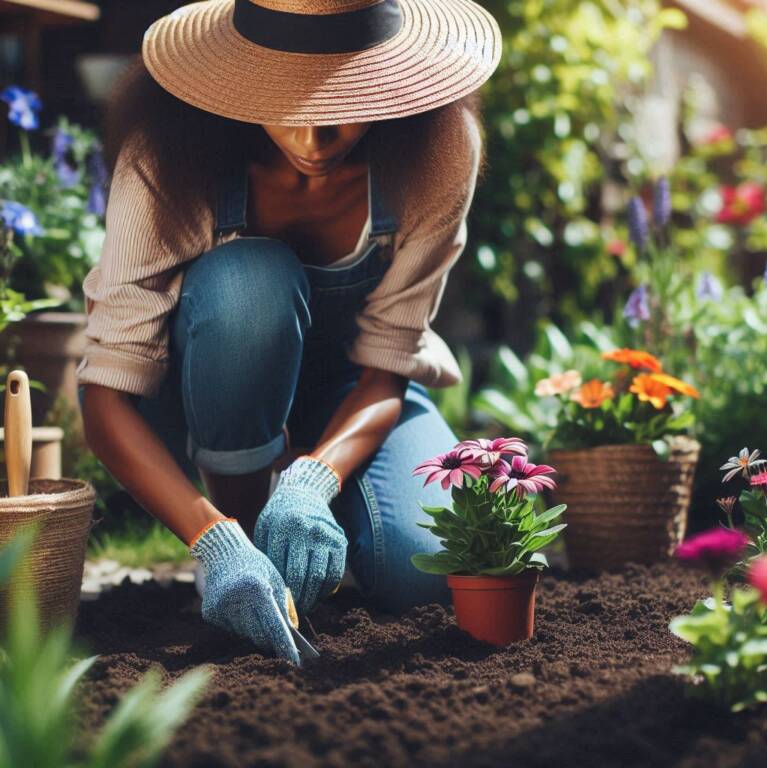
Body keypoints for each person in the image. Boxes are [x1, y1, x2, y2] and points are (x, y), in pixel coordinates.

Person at [76, 0, 502, 664]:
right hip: (205, 391)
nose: (314, 137)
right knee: (251, 285)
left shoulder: (437, 151)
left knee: (427, 569)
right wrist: (215, 538)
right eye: (285, 98)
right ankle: (244, 541)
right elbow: (104, 400)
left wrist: (312, 483)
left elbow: (387, 367)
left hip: (348, 392)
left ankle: (299, 526)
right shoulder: (171, 156)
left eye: (346, 97)